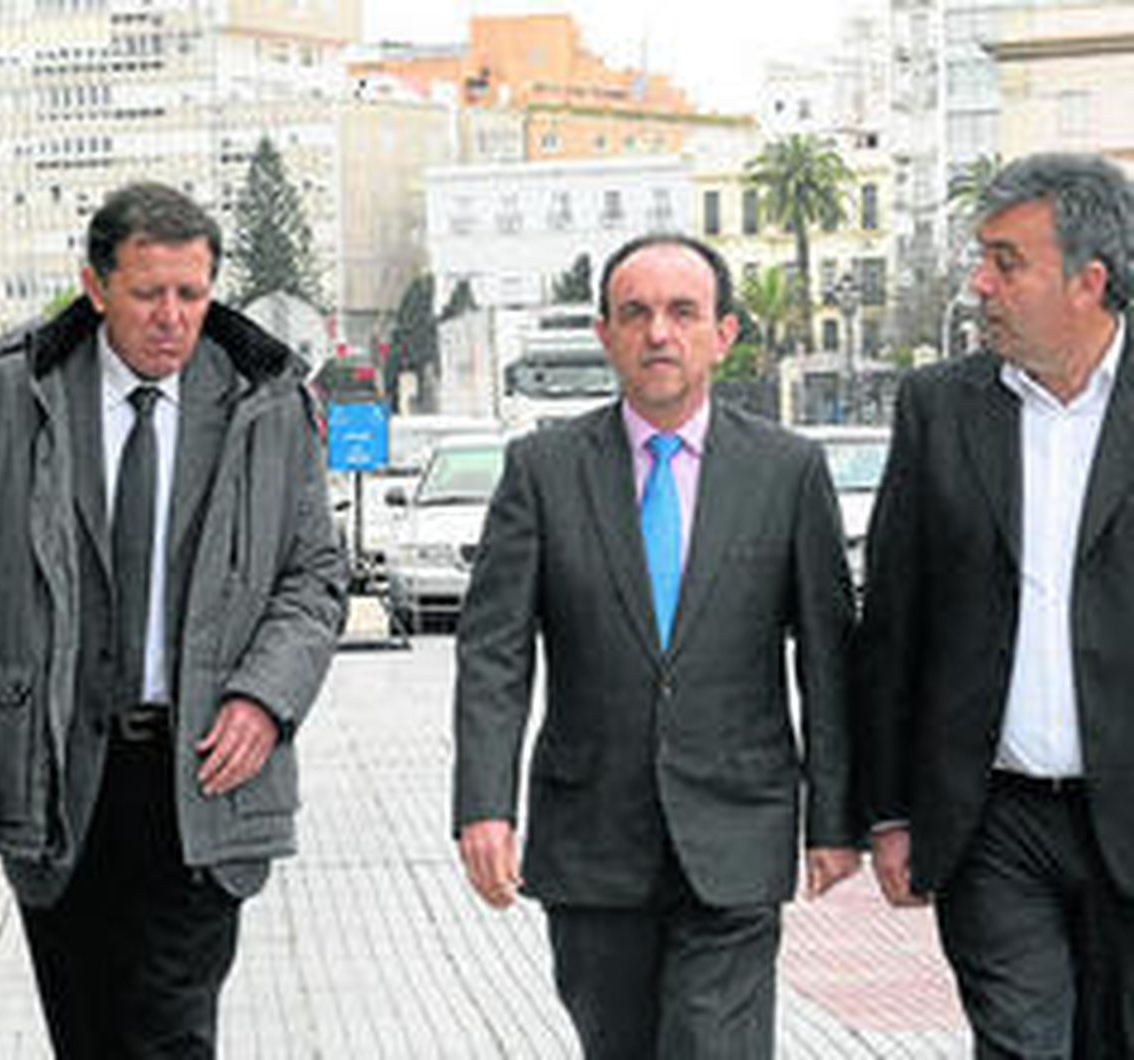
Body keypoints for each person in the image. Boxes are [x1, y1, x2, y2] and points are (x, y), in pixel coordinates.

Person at [0, 181, 347, 1057]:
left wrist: (263, 699)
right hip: (55, 774)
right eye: (148, 294)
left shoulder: (269, 404)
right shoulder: (4, 401)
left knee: (172, 1032)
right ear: (95, 286)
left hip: (200, 778)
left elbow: (314, 577)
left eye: (192, 294)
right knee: (89, 1034)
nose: (173, 319)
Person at [453, 233, 860, 1057]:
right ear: (605, 334)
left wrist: (835, 816)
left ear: (725, 334)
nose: (659, 334)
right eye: (635, 314)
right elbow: (494, 653)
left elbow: (827, 656)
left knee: (716, 1044)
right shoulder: (542, 470)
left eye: (683, 312)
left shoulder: (787, 471)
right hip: (593, 836)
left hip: (738, 830)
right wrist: (484, 805)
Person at [855, 152, 1134, 1058]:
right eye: (982, 257)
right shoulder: (939, 409)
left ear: (1090, 280)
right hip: (991, 823)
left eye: (1006, 262)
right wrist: (887, 808)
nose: (980, 283)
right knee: (1022, 1044)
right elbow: (894, 621)